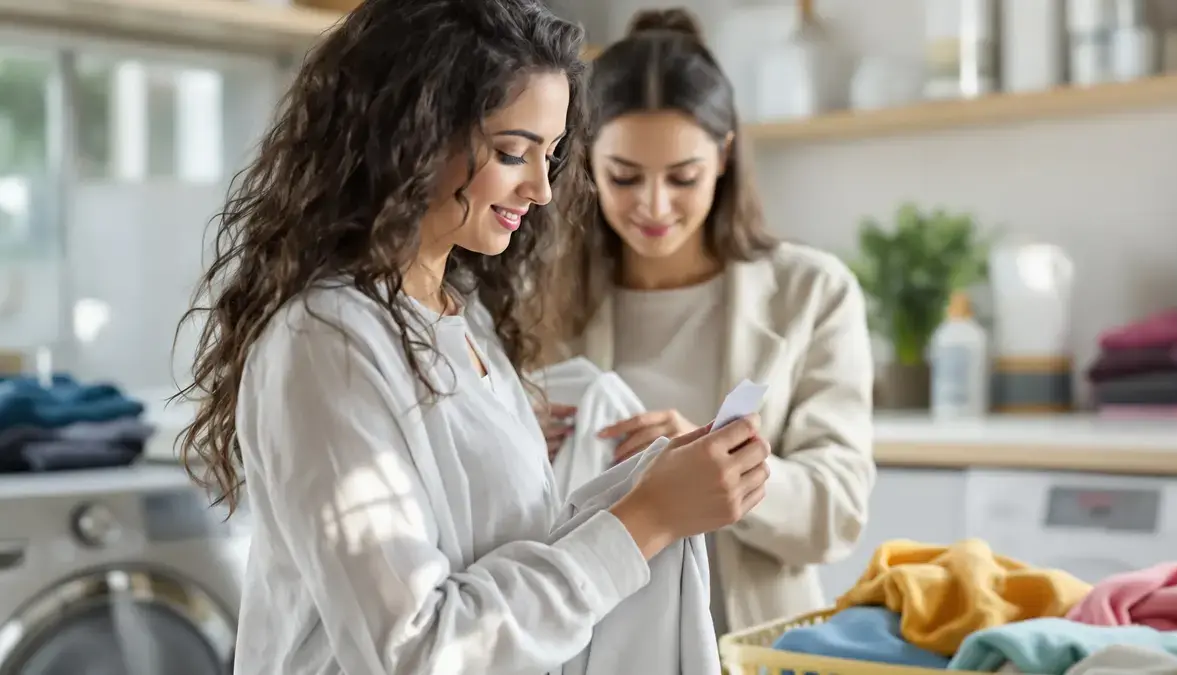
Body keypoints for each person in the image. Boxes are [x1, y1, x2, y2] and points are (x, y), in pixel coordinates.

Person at [171, 1, 771, 673]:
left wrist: (653, 486)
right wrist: (648, 517)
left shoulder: (461, 314)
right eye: (514, 152)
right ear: (414, 133)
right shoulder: (325, 343)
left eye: (552, 154)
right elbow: (418, 649)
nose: (542, 189)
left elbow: (497, 553)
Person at [543, 7, 876, 635]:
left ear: (723, 157)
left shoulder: (811, 292)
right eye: (624, 176)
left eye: (683, 177)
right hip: (589, 641)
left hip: (750, 641)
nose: (654, 206)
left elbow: (838, 511)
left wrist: (729, 471)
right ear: (585, 160)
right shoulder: (538, 297)